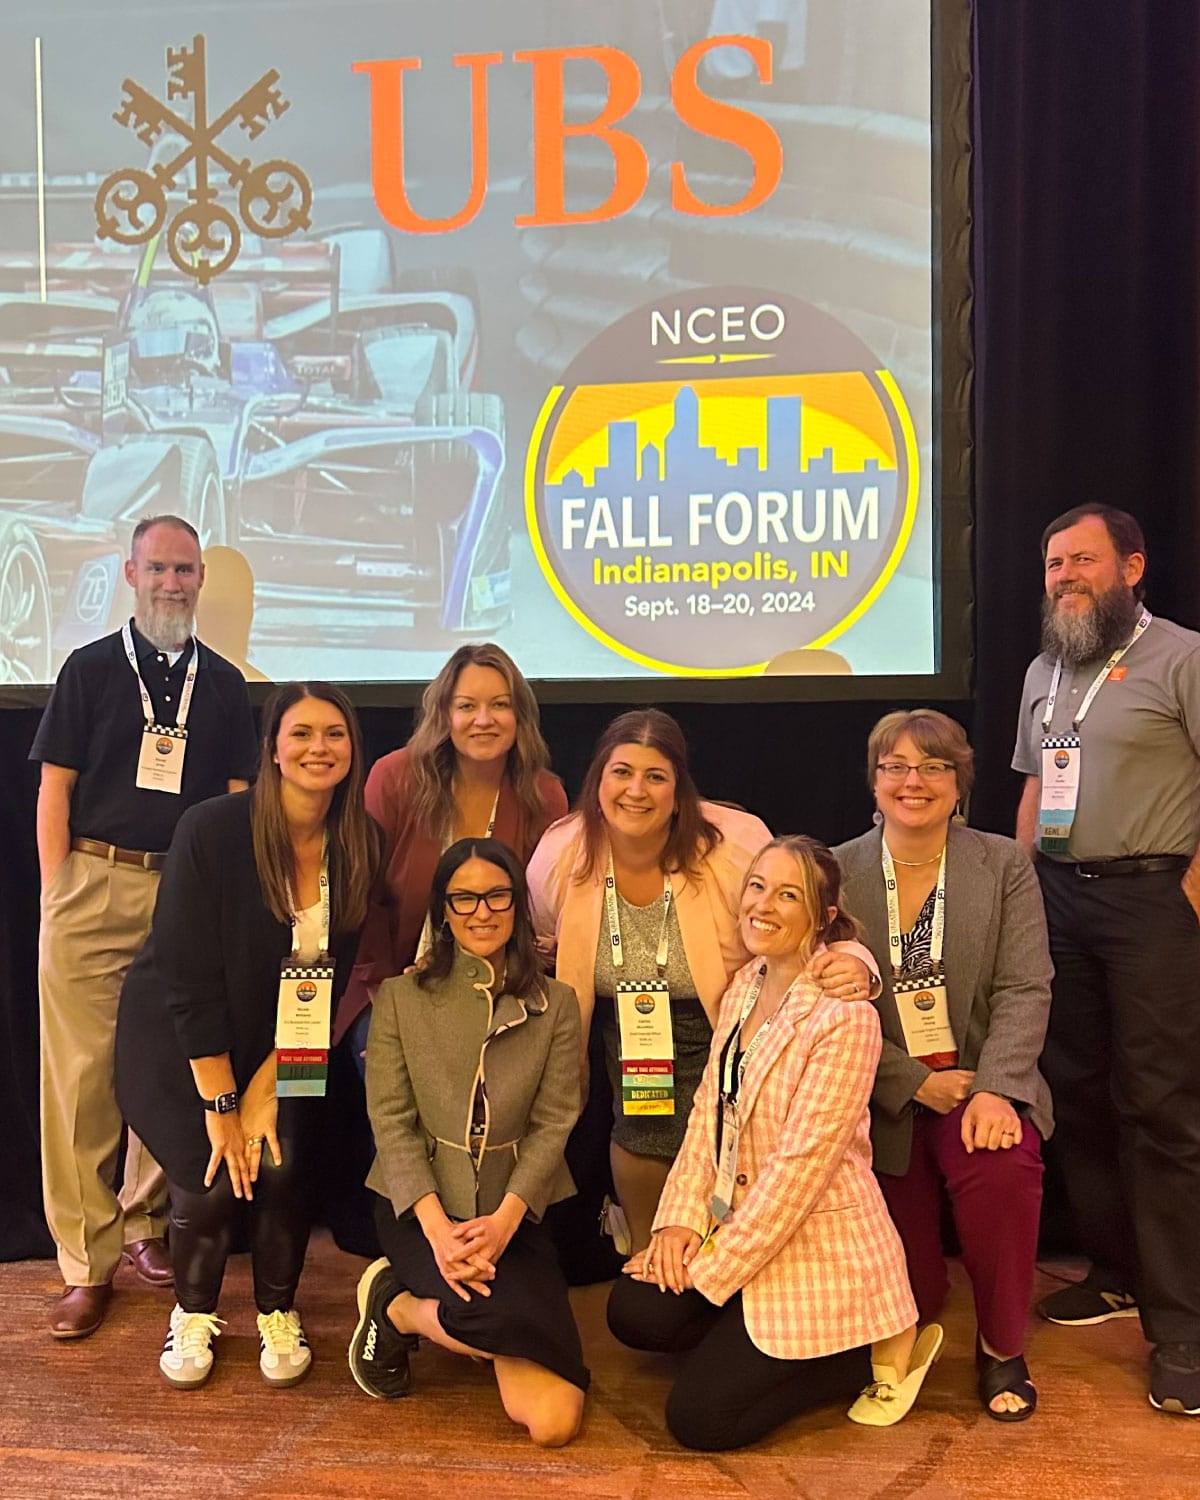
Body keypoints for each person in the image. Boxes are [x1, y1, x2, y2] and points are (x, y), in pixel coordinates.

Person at [607, 836, 937, 1451]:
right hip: (737, 1221)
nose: (764, 904)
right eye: (758, 886)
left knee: (700, 1422)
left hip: (815, 1243)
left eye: (790, 894)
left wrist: (711, 1271)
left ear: (824, 915)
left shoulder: (845, 1017)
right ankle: (744, 1334)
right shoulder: (745, 985)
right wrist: (677, 1226)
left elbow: (798, 1174)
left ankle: (860, 1356)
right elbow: (709, 1111)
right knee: (633, 1312)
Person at [527, 709, 877, 1253]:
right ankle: (650, 1260)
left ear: (678, 790)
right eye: (621, 772)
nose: (635, 791)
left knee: (730, 1150)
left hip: (727, 1021)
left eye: (655, 776)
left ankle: (731, 1269)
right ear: (597, 780)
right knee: (639, 1139)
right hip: (626, 1026)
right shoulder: (559, 853)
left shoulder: (733, 846)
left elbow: (801, 914)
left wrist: (857, 959)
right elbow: (548, 944)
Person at [114, 682, 381, 1389]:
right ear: (273, 748)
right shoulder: (212, 829)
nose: (318, 748)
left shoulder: (359, 842)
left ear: (353, 751)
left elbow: (328, 982)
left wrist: (268, 1087)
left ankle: (276, 1311)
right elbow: (187, 977)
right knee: (209, 1181)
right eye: (301, 733)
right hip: (180, 1041)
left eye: (334, 733)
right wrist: (225, 1104)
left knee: (284, 1165)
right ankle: (194, 1314)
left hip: (287, 1040)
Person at [30, 515, 256, 1340]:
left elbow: (236, 804)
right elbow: (55, 787)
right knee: (83, 1083)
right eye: (158, 568)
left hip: (183, 896)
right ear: (130, 573)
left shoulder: (226, 685)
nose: (173, 583)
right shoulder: (88, 670)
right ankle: (84, 1267)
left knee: (170, 1073)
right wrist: (59, 889)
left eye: (186, 571)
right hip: (94, 882)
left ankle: (144, 1230)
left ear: (201, 580)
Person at [1013, 505, 1200, 1417]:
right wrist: (1018, 900)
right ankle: (1117, 1270)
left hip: (1154, 901)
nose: (1065, 576)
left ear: (1132, 563)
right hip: (1057, 899)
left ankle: (1184, 1329)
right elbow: (1030, 790)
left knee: (1160, 1106)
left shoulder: (1184, 657)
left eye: (1082, 559)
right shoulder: (1046, 671)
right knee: (1075, 1090)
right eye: (1054, 564)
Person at [836, 709, 1053, 1421]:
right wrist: (909, 1080)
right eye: (895, 765)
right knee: (918, 1295)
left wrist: (996, 1090)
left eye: (933, 766)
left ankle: (1000, 1347)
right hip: (883, 1092)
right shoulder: (838, 873)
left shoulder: (1004, 864)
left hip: (977, 1084)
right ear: (873, 781)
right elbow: (830, 1005)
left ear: (959, 783)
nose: (914, 781)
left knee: (1004, 1166)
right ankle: (921, 1317)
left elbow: (1026, 985)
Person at [348, 838, 586, 1447]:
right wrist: (437, 1229)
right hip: (422, 1209)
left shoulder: (556, 1004)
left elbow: (555, 1121)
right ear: (443, 912)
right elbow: (391, 1124)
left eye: (497, 895)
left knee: (554, 1424)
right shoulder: (401, 999)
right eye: (464, 898)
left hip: (514, 1213)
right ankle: (400, 1307)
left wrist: (506, 1221)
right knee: (490, 1318)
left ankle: (418, 1312)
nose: (482, 911)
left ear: (517, 904)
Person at [334, 643, 567, 1064]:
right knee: (411, 1070)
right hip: (388, 983)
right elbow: (360, 897)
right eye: (467, 706)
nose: (483, 719)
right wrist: (393, 992)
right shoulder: (395, 779)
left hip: (501, 987)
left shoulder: (544, 795)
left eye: (500, 705)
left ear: (520, 717)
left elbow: (539, 911)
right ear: (444, 714)